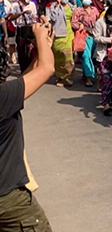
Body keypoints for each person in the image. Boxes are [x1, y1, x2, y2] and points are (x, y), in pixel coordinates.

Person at [0, 21, 55, 230]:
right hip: (9, 199)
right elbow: (47, 68)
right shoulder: (3, 97)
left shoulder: (6, 97)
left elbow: (25, 81)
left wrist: (40, 51)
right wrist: (41, 36)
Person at [93, 4, 112, 115]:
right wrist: (110, 40)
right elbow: (97, 37)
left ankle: (110, 99)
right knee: (106, 78)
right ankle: (105, 103)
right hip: (104, 54)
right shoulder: (100, 22)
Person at [46, 0, 74, 87]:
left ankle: (68, 76)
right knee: (58, 56)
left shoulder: (71, 6)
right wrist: (57, 5)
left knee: (68, 57)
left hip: (69, 33)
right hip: (58, 34)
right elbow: (52, 18)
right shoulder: (52, 6)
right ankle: (60, 77)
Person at [71, 0, 100, 87]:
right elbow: (73, 23)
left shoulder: (94, 10)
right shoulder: (78, 10)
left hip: (94, 36)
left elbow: (98, 21)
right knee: (85, 56)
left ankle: (85, 73)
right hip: (84, 36)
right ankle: (88, 78)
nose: (87, 0)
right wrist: (80, 26)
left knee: (92, 57)